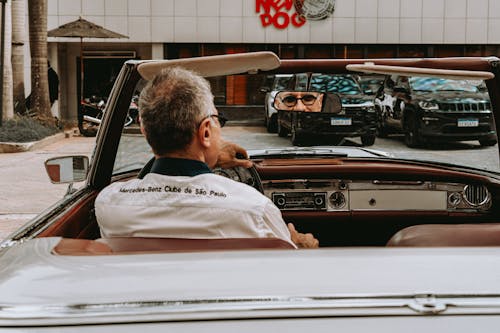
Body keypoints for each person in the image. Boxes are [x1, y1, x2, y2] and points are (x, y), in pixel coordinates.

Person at [95, 67, 319, 249]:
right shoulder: (254, 209)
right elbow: (290, 273)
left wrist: (204, 154)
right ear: (204, 131)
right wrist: (303, 248)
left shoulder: (109, 203)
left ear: (144, 130)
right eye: (216, 119)